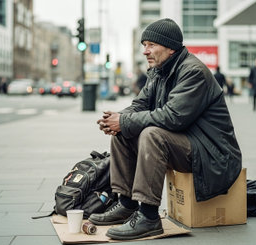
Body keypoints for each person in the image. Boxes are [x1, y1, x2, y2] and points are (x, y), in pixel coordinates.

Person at [90, 18, 242, 240]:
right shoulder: (158, 71)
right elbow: (139, 104)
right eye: (144, 45)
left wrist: (123, 121)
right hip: (188, 142)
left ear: (170, 47)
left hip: (213, 154)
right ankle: (127, 204)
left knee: (152, 135)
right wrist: (118, 118)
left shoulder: (193, 72)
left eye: (151, 45)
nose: (145, 51)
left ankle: (149, 217)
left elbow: (173, 117)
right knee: (124, 132)